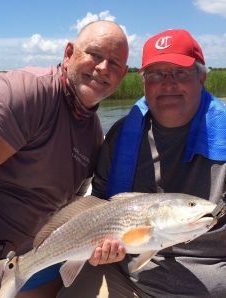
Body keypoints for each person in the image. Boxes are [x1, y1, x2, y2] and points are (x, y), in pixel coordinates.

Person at [0, 20, 129, 298]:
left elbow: (70, 209)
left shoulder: (94, 135)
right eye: (94, 54)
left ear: (124, 74)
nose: (103, 68)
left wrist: (95, 243)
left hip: (22, 258)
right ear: (69, 53)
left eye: (115, 63)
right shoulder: (27, 91)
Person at [57, 29, 226, 298]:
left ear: (202, 77)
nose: (167, 83)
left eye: (180, 72)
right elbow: (99, 207)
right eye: (155, 74)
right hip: (124, 276)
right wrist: (100, 250)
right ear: (144, 83)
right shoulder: (121, 136)